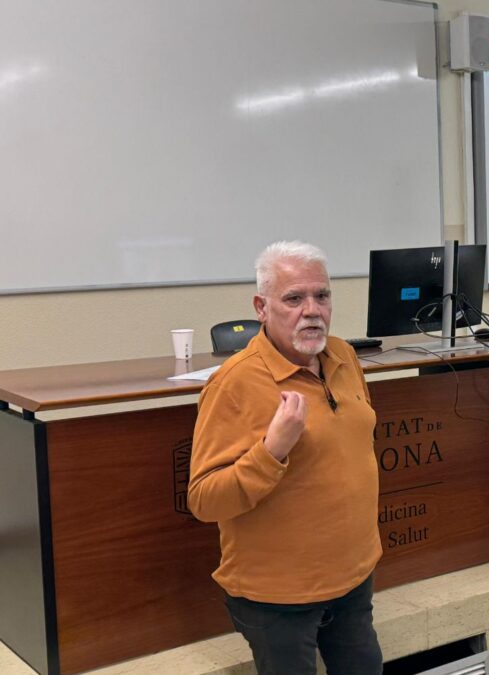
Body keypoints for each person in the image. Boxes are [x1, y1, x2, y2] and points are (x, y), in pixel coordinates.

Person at [188, 241, 382, 675]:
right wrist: (271, 450)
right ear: (262, 307)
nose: (312, 311)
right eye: (294, 299)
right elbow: (204, 500)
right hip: (278, 598)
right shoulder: (234, 384)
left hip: (353, 578)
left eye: (322, 296)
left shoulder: (344, 356)